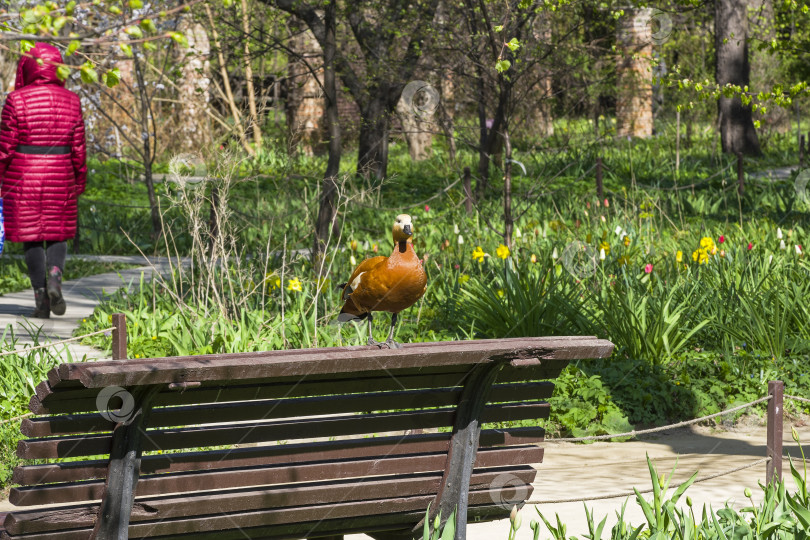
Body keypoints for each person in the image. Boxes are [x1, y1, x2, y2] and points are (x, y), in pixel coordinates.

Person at [0, 43, 87, 318]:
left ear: (27, 66)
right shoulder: (73, 101)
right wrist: (79, 180)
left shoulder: (15, 100)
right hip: (61, 173)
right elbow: (79, 148)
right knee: (58, 233)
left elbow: (5, 147)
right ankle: (54, 278)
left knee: (32, 238)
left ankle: (41, 300)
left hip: (23, 176)